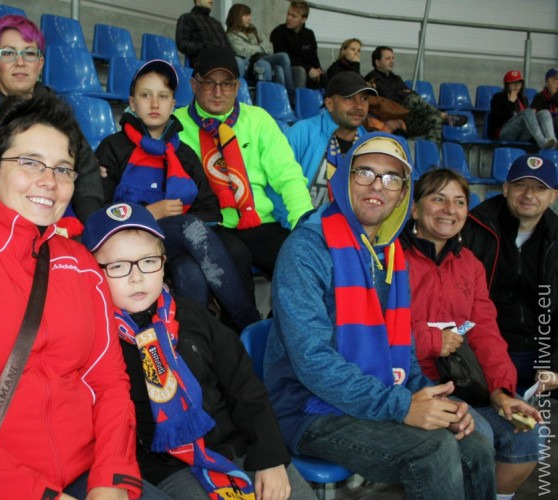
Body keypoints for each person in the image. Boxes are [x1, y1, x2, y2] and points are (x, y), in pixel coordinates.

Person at [0, 93, 212, 500]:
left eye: (62, 169)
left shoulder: (81, 264)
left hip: (86, 479)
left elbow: (109, 382)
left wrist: (112, 475)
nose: (49, 181)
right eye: (30, 163)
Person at [265, 132, 497, 500]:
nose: (377, 186)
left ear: (403, 193)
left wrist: (432, 397)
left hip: (374, 394)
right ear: (344, 178)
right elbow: (312, 361)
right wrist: (402, 406)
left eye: (391, 179)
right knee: (433, 449)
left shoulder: (389, 254)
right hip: (308, 408)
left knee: (475, 438)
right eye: (366, 173)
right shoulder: (307, 248)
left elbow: (402, 352)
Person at [83, 201, 326, 500]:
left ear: (164, 264)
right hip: (165, 464)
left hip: (232, 444)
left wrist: (270, 457)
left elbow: (245, 387)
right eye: (118, 266)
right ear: (93, 272)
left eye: (148, 261)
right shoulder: (91, 339)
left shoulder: (194, 317)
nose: (137, 277)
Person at [401, 168, 542, 500]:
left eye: (459, 201)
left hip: (463, 380)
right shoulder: (391, 258)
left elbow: (485, 332)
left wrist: (501, 390)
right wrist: (431, 340)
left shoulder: (470, 265)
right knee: (476, 434)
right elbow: (373, 329)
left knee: (526, 431)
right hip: (408, 383)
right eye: (438, 199)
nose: (450, 209)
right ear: (414, 209)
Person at [95, 60, 260, 331]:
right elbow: (98, 210)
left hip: (172, 243)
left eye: (163, 96)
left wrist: (177, 221)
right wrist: (150, 214)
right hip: (127, 240)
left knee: (189, 264)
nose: (155, 104)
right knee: (189, 240)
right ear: (132, 103)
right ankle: (248, 323)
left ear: (173, 104)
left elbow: (211, 209)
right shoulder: (112, 147)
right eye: (145, 95)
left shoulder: (184, 154)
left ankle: (195, 342)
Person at [173, 45, 313, 302]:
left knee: (301, 263)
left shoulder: (258, 120)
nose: (218, 92)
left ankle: (283, 322)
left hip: (258, 220)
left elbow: (288, 176)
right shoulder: (176, 124)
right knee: (235, 259)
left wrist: (304, 227)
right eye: (209, 83)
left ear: (237, 87)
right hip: (210, 224)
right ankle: (244, 325)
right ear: (194, 85)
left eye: (226, 84)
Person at [0, 14, 103, 236]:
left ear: (40, 64)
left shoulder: (59, 115)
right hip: (0, 234)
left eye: (30, 53)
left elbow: (87, 179)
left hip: (63, 228)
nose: (20, 62)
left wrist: (92, 230)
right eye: (8, 53)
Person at [462, 155, 558, 404]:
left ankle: (517, 391)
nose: (529, 195)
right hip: (484, 348)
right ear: (506, 189)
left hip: (538, 352)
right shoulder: (473, 227)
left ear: (553, 196)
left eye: (540, 188)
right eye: (521, 185)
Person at [287, 71, 374, 207]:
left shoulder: (369, 144)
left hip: (347, 220)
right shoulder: (301, 132)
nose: (359, 106)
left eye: (364, 98)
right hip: (300, 219)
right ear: (329, 104)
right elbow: (278, 186)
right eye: (349, 98)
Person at [364, 46, 465, 142]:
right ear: (377, 62)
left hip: (408, 117)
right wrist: (403, 93)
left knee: (435, 120)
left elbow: (412, 93)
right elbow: (391, 97)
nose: (392, 61)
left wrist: (403, 94)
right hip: (391, 117)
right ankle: (443, 115)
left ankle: (429, 151)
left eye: (393, 58)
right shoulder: (372, 78)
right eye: (388, 58)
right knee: (411, 100)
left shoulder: (396, 78)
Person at [225, 3, 295, 95]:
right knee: (273, 65)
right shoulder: (231, 35)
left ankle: (287, 95)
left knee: (283, 57)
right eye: (246, 15)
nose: (250, 18)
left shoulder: (254, 30)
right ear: (237, 16)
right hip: (250, 61)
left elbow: (269, 47)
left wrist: (255, 48)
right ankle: (289, 94)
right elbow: (241, 51)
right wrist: (260, 48)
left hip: (262, 56)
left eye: (250, 15)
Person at [489, 70, 558, 150]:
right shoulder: (498, 97)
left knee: (544, 112)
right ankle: (542, 142)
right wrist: (511, 103)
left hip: (522, 134)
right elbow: (498, 120)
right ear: (507, 85)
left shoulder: (523, 99)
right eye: (513, 83)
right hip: (504, 133)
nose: (516, 86)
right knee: (528, 111)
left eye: (519, 83)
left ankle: (553, 141)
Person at [269, 1, 325, 89]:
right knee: (300, 71)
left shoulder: (309, 34)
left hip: (306, 70)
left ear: (303, 19)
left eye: (293, 16)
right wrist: (308, 69)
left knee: (325, 76)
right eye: (288, 14)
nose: (289, 18)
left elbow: (314, 58)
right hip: (287, 70)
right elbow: (284, 59)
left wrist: (318, 70)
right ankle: (295, 97)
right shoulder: (278, 32)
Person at [175, 0, 232, 67]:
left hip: (224, 62)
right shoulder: (187, 18)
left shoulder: (216, 23)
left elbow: (229, 47)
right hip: (203, 62)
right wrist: (205, 47)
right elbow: (182, 44)